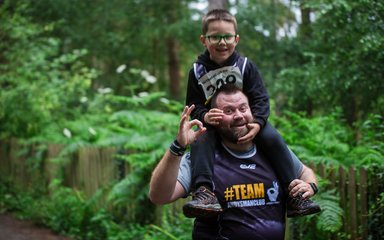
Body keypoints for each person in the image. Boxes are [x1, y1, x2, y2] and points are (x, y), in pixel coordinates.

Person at [183, 8, 320, 218]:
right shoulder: (197, 71)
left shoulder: (245, 66)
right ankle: (204, 192)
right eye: (215, 37)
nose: (222, 42)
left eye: (227, 36)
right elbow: (193, 105)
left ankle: (294, 194)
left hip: (247, 122)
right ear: (204, 40)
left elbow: (260, 99)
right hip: (214, 124)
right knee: (200, 139)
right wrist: (204, 116)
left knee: (272, 138)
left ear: (236, 39)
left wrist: (257, 123)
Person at [149, 85, 321, 239]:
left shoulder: (272, 152)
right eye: (229, 111)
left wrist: (310, 186)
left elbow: (305, 173)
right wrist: (177, 147)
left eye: (243, 108)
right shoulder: (202, 160)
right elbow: (159, 196)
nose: (238, 116)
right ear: (214, 117)